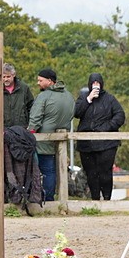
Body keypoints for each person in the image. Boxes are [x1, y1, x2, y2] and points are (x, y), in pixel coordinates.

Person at [73, 73, 126, 201]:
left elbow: (120, 116)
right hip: (86, 143)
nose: (96, 85)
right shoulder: (83, 98)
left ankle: (107, 199)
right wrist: (88, 99)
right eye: (93, 83)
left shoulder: (110, 99)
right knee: (91, 173)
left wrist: (107, 127)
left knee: (105, 172)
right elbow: (76, 113)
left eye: (98, 83)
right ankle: (95, 200)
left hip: (106, 143)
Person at [27, 68, 73, 202]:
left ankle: (41, 199)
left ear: (50, 81)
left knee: (43, 171)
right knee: (54, 171)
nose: (38, 83)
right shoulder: (69, 96)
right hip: (61, 140)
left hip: (43, 140)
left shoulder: (44, 96)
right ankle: (51, 198)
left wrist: (30, 132)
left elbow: (35, 118)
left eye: (40, 80)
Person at [2, 64, 34, 129]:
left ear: (13, 75)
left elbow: (31, 106)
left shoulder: (24, 88)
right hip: (3, 128)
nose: (6, 79)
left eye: (8, 77)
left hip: (21, 127)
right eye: (4, 77)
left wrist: (29, 124)